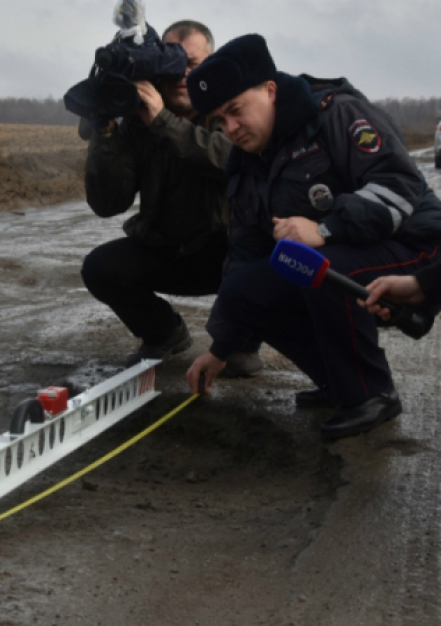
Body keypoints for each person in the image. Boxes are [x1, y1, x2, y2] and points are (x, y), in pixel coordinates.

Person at [183, 34, 441, 441]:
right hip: (346, 254)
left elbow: (399, 186)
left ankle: (372, 395)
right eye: (219, 121)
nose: (229, 128)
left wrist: (325, 229)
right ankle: (339, 382)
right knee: (242, 288)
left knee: (318, 266)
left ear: (269, 90)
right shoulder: (245, 164)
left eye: (235, 111)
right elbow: (247, 253)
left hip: (414, 242)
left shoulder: (336, 114)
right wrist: (221, 349)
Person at [81, 20, 262, 375]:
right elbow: (107, 204)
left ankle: (242, 341)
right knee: (101, 268)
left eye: (193, 64)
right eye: (172, 64)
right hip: (169, 250)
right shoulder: (138, 119)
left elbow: (232, 160)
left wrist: (163, 121)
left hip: (231, 256)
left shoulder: (229, 111)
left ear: (214, 63)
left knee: (266, 252)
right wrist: (106, 130)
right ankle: (164, 334)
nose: (182, 74)